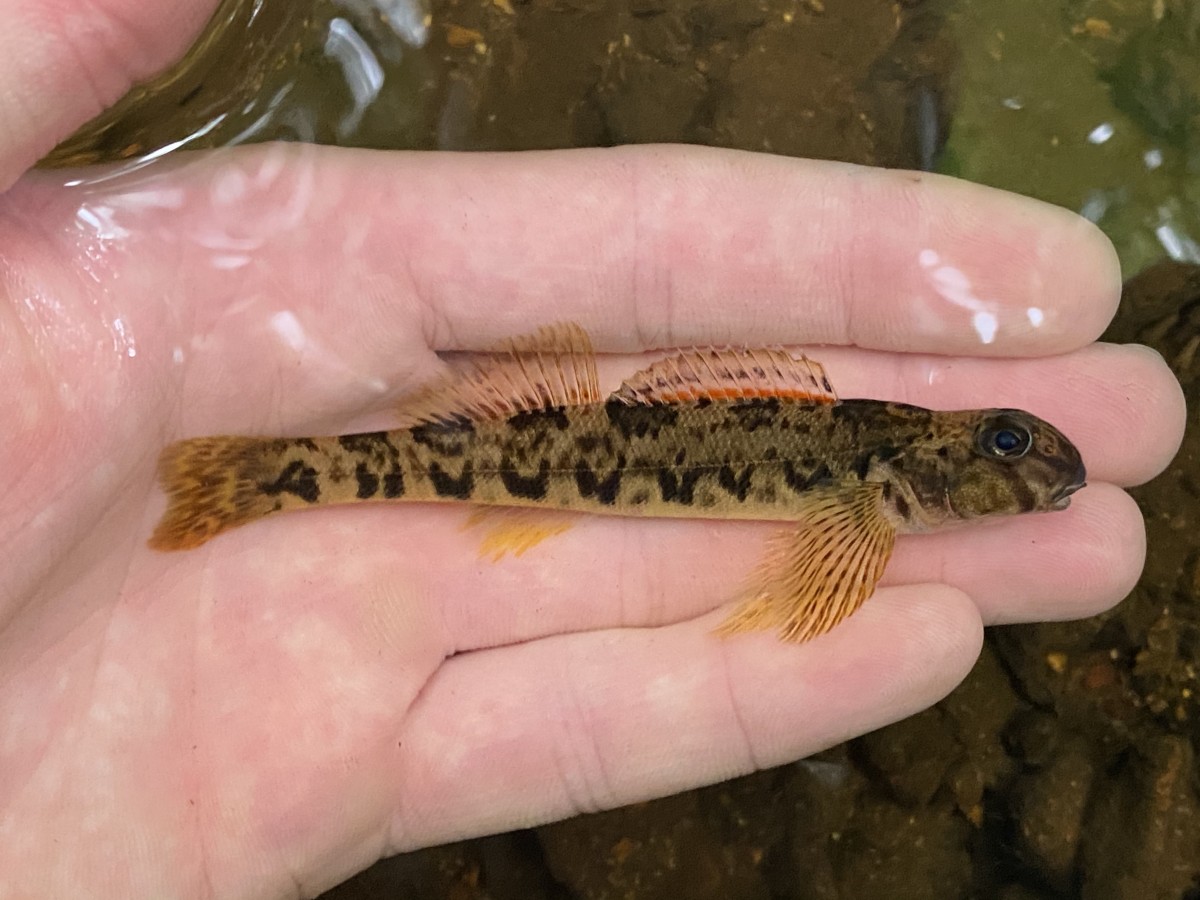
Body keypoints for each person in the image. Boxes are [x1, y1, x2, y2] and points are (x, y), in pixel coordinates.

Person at [0, 3, 1186, 897]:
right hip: (543, 439)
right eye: (1005, 444)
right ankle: (268, 478)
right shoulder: (872, 483)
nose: (1020, 469)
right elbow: (817, 577)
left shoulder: (876, 478)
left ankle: (273, 479)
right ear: (933, 464)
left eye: (1015, 457)